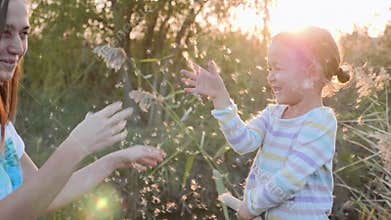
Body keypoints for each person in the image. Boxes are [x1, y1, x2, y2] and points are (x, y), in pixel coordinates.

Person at [0, 0, 165, 219]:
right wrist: (76, 146)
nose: (18, 48)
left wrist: (114, 160)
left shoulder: (5, 128)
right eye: (4, 32)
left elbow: (41, 194)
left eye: (23, 34)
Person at [181, 26, 350, 219]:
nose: (270, 76)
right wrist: (221, 98)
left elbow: (291, 178)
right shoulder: (272, 115)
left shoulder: (321, 122)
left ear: (311, 73)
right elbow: (243, 142)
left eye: (278, 68)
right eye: (269, 68)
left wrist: (252, 207)